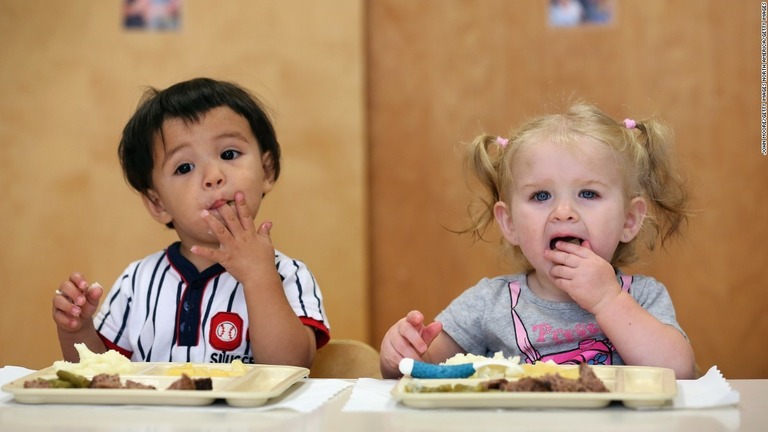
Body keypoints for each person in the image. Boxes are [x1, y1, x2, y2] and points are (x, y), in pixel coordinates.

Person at [380, 102, 697, 379]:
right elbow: (427, 366)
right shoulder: (489, 303)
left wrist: (608, 300)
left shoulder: (642, 297)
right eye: (541, 195)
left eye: (588, 193)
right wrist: (403, 355)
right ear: (510, 223)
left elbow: (678, 372)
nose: (563, 212)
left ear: (629, 220)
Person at [52, 77, 330, 367]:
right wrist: (78, 330)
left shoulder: (288, 274)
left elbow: (290, 366)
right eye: (184, 167)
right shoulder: (138, 280)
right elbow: (96, 375)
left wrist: (259, 276)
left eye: (229, 154)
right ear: (158, 203)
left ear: (267, 170)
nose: (213, 176)